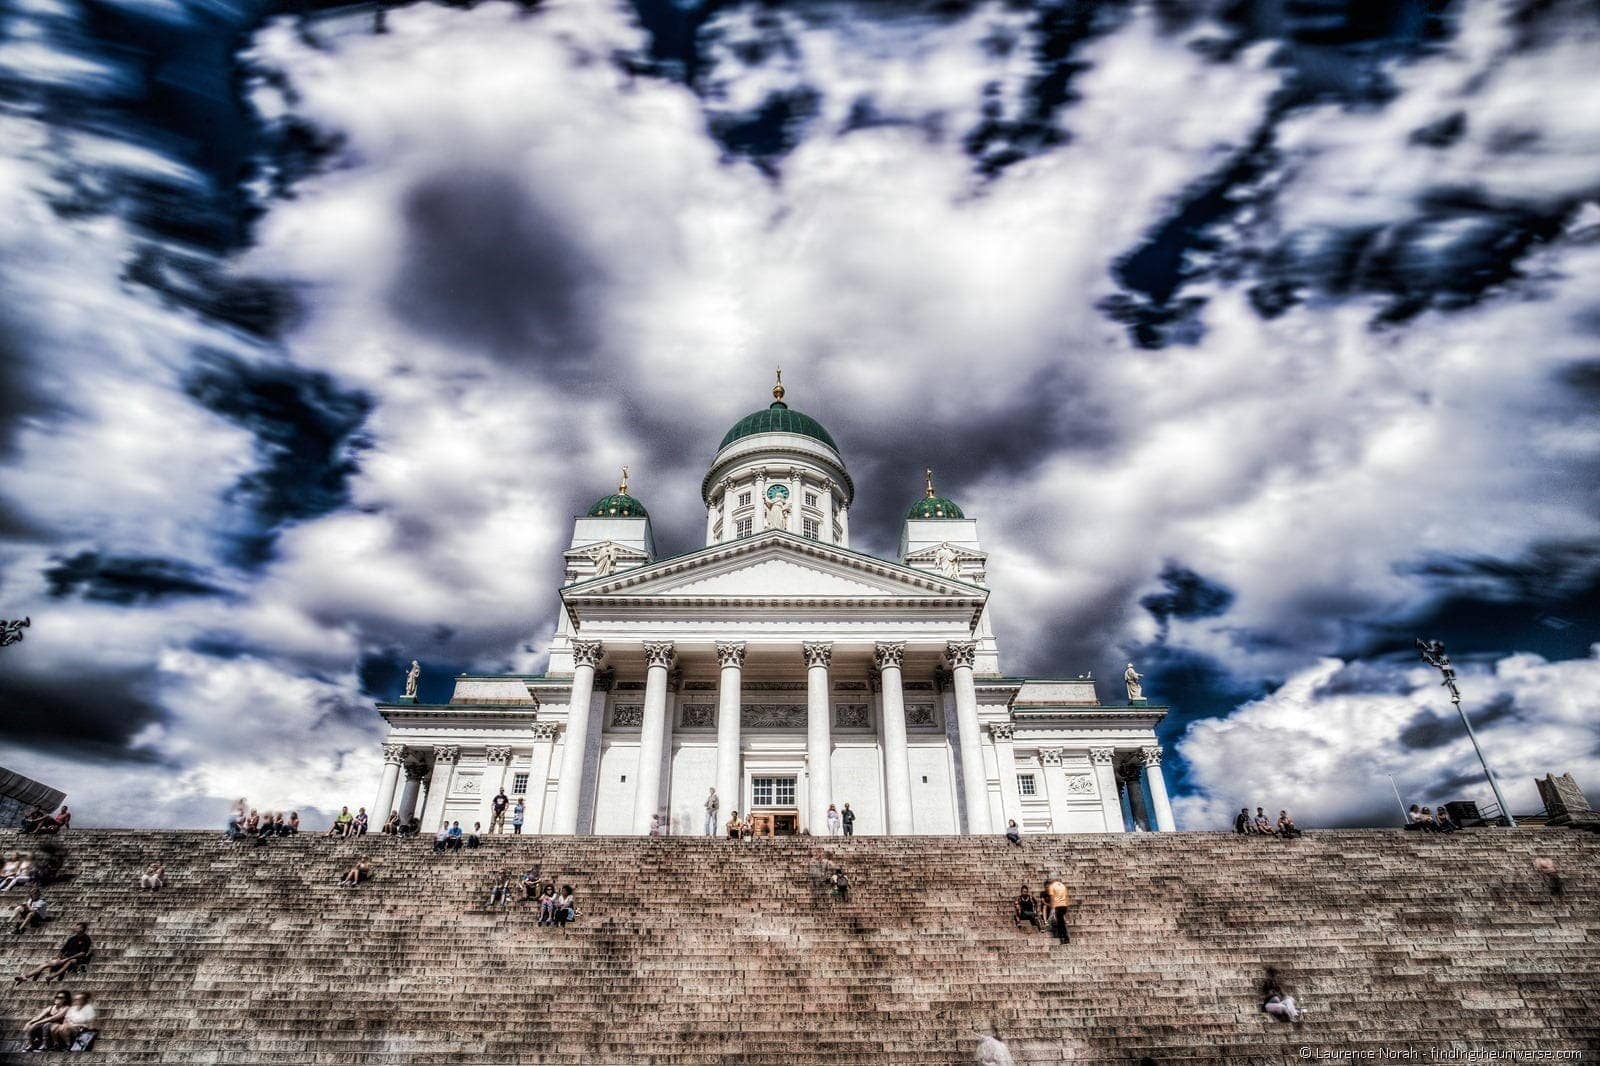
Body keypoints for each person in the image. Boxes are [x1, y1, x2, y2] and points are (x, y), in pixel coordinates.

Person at [16, 921, 92, 982]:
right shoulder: (72, 938)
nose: (74, 928)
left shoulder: (86, 939)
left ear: (82, 929)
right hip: (65, 958)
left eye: (77, 927)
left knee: (69, 962)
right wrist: (59, 957)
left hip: (77, 959)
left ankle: (51, 976)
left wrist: (67, 959)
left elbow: (83, 953)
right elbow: (63, 950)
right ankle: (25, 976)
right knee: (46, 963)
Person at [1044, 878, 1072, 945]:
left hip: (1058, 906)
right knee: (1060, 921)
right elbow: (1066, 896)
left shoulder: (1052, 887)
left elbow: (1052, 898)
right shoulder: (1062, 886)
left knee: (1060, 923)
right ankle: (1063, 937)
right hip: (1064, 906)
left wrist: (1052, 907)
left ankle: (1064, 938)